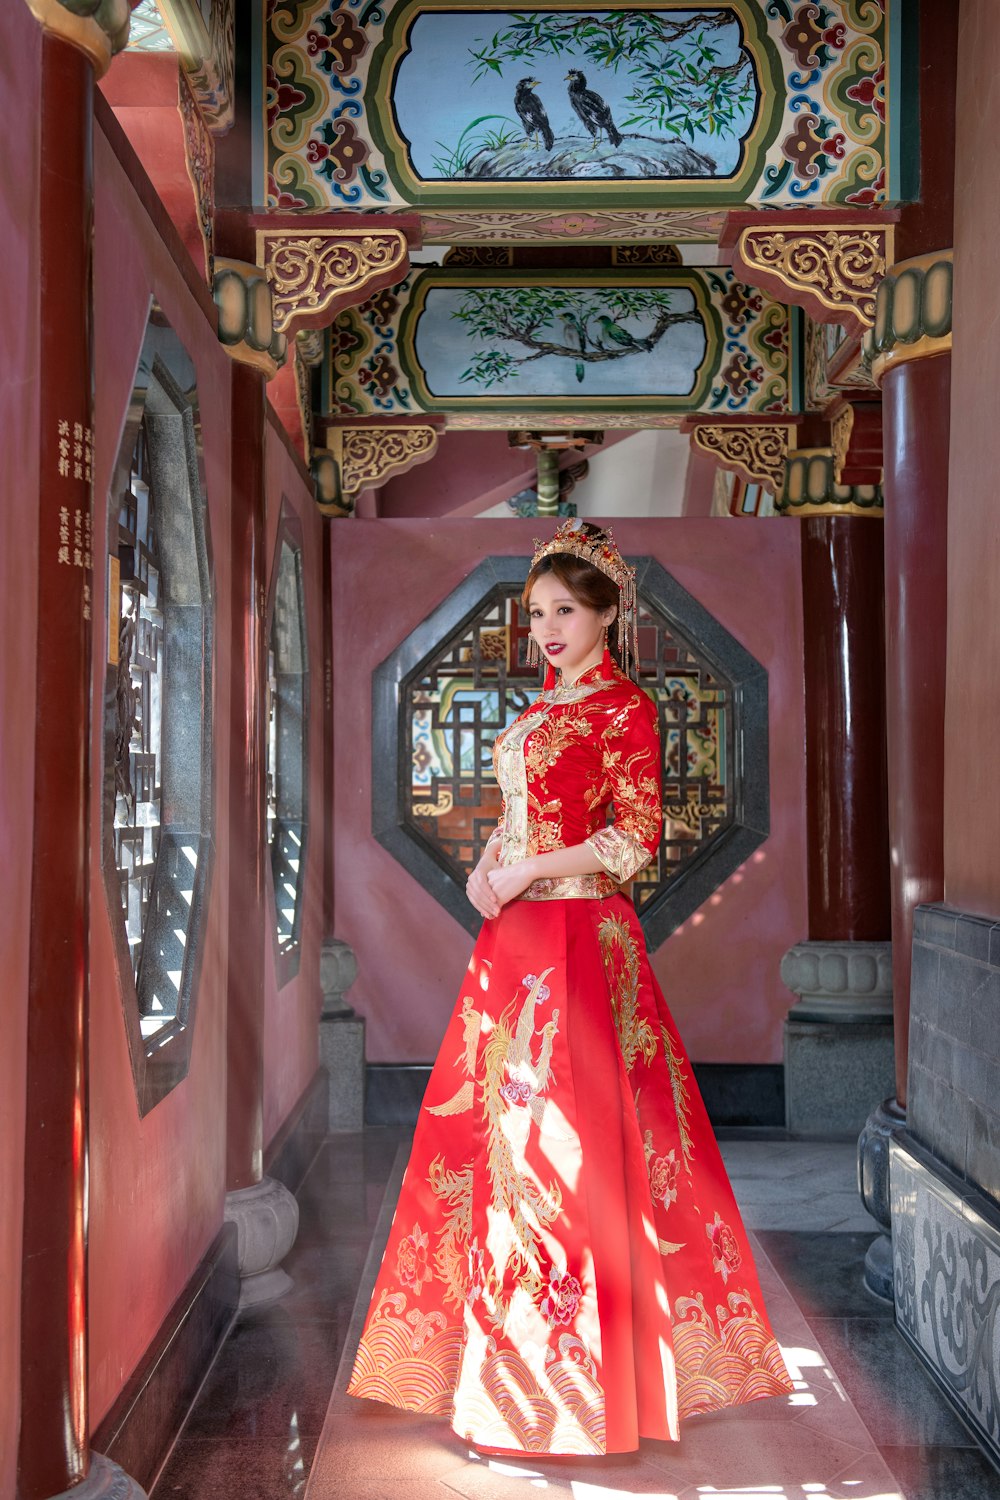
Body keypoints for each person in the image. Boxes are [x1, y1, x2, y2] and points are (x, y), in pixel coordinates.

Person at [347, 519, 792, 1457]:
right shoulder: (546, 707)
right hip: (516, 942)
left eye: (564, 611)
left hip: (581, 939)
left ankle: (596, 1390)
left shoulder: (624, 708)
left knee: (576, 1149)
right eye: (537, 613)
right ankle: (490, 1365)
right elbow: (522, 817)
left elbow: (634, 839)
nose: (546, 629)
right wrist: (488, 866)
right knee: (501, 1147)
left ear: (606, 614)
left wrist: (524, 871)